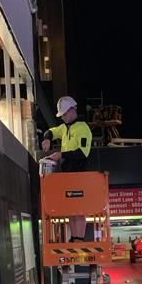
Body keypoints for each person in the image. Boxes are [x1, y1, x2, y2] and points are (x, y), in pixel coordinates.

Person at [42, 96, 92, 241]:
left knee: (79, 208)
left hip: (79, 173)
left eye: (64, 114)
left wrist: (61, 154)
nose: (63, 117)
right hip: (67, 174)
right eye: (61, 115)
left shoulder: (83, 129)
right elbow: (50, 131)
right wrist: (47, 138)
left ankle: (79, 237)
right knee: (71, 207)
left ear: (73, 110)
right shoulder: (64, 128)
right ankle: (74, 237)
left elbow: (82, 153)